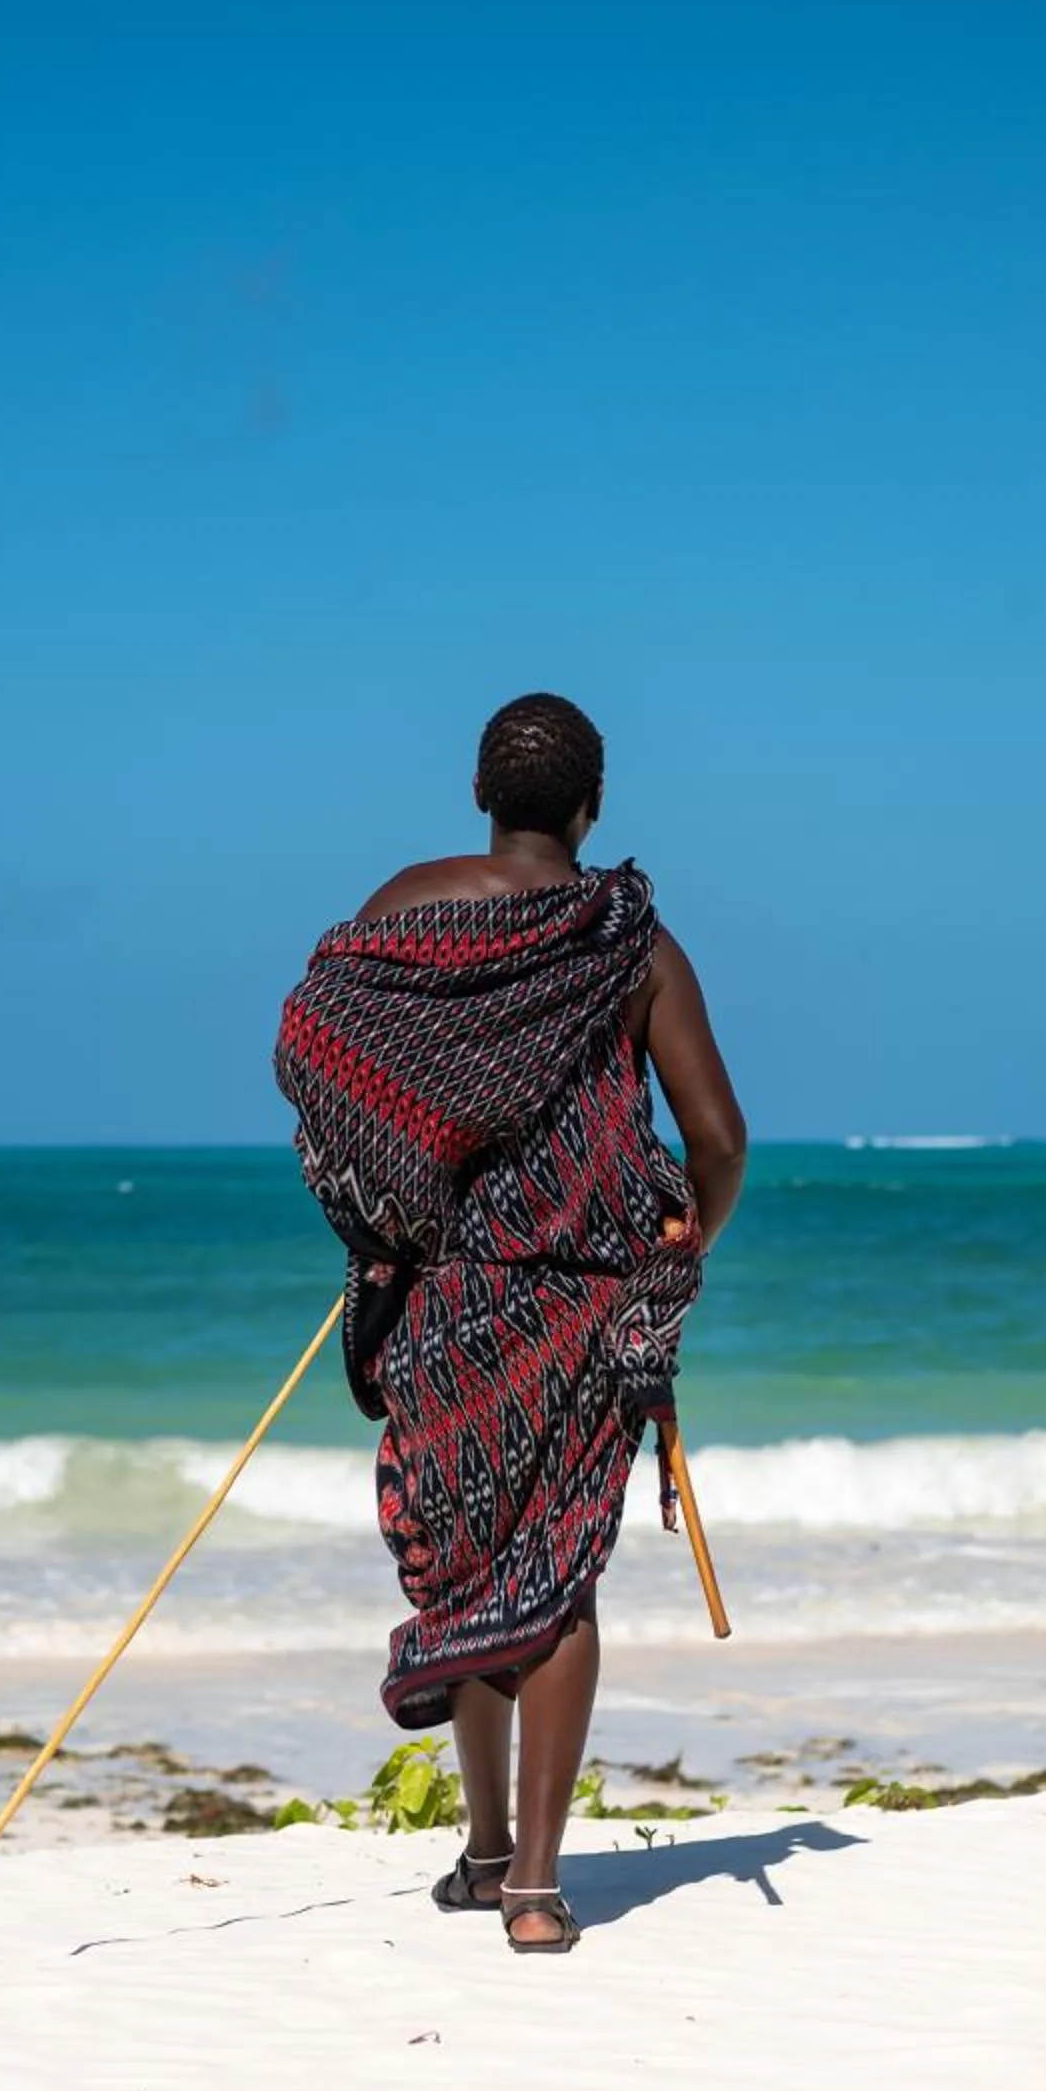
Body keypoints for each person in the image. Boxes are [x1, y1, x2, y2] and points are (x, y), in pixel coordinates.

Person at [275, 693, 746, 1953]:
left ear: (480, 794)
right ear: (592, 806)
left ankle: (486, 1852)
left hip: (446, 1300)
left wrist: (384, 1210)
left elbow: (319, 1056)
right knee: (556, 1577)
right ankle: (533, 1888)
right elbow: (717, 1140)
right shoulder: (629, 941)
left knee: (467, 1570)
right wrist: (682, 1241)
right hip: (585, 1305)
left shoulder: (404, 909)